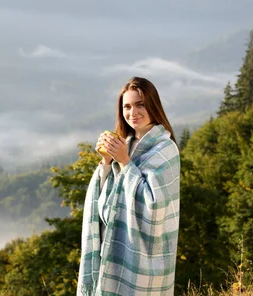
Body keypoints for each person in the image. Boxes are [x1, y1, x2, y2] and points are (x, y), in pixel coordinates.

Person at [77, 76, 181, 296]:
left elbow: (154, 207)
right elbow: (105, 201)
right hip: (113, 255)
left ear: (153, 105)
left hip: (144, 267)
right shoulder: (125, 144)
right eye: (127, 106)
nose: (133, 112)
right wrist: (106, 162)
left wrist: (125, 162)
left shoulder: (165, 149)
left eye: (140, 104)